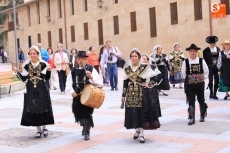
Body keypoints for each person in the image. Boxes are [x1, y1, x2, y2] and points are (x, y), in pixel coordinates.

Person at [13, 45, 54, 138]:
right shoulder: (26, 65)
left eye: (34, 53)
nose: (32, 55)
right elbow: (24, 78)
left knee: (43, 108)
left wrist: (48, 71)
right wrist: (17, 72)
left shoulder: (43, 64)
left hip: (41, 88)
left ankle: (45, 128)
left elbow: (47, 78)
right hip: (31, 89)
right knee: (33, 109)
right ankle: (38, 130)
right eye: (31, 54)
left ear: (37, 54)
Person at [121, 48, 161, 143]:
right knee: (134, 112)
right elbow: (125, 83)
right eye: (132, 56)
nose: (134, 58)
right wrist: (123, 95)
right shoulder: (127, 69)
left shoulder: (144, 67)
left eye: (135, 56)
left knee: (142, 112)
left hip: (142, 93)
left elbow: (155, 77)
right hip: (131, 94)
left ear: (139, 58)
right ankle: (137, 129)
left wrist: (148, 84)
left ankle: (142, 134)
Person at [66, 51, 102, 140]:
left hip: (88, 96)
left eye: (82, 59)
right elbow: (69, 82)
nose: (80, 61)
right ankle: (83, 126)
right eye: (79, 59)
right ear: (77, 60)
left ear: (86, 59)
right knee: (77, 112)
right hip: (77, 95)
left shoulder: (91, 69)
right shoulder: (73, 70)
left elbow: (99, 83)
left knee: (87, 113)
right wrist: (71, 91)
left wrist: (91, 78)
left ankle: (87, 131)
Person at [181, 44, 209, 125]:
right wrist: (190, 79)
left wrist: (202, 78)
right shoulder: (185, 61)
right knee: (191, 100)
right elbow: (183, 73)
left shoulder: (201, 60)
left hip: (200, 84)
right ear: (189, 52)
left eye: (194, 51)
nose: (193, 52)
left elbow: (206, 70)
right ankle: (191, 117)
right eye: (191, 51)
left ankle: (202, 115)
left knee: (201, 99)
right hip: (189, 84)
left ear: (196, 52)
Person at [142, 53, 162, 117]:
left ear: (147, 60)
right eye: (142, 59)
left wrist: (150, 84)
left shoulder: (152, 67)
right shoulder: (138, 68)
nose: (143, 61)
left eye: (144, 59)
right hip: (142, 88)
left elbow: (159, 75)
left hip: (151, 88)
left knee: (152, 102)